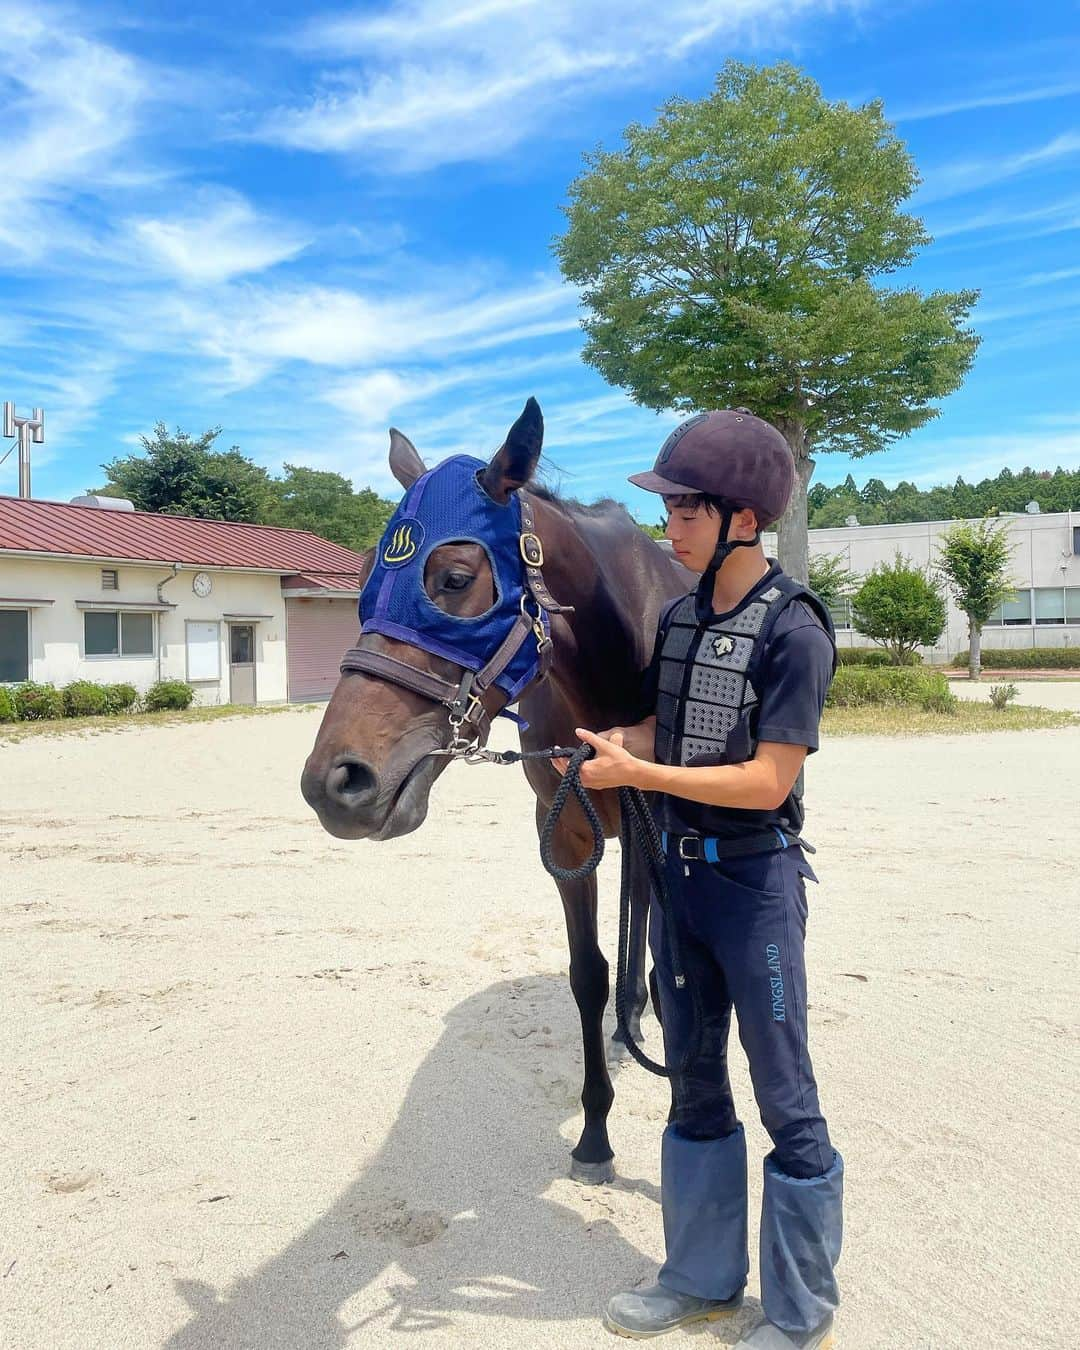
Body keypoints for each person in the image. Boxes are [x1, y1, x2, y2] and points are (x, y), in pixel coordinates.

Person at [568, 410, 843, 1348]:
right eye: (671, 506)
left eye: (688, 506)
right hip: (679, 882)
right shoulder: (683, 619)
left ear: (744, 518)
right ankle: (700, 1278)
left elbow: (770, 777)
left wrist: (640, 777)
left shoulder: (796, 630)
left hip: (755, 888)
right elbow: (665, 734)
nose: (671, 524)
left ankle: (803, 1317)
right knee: (693, 1079)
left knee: (787, 1100)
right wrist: (617, 746)